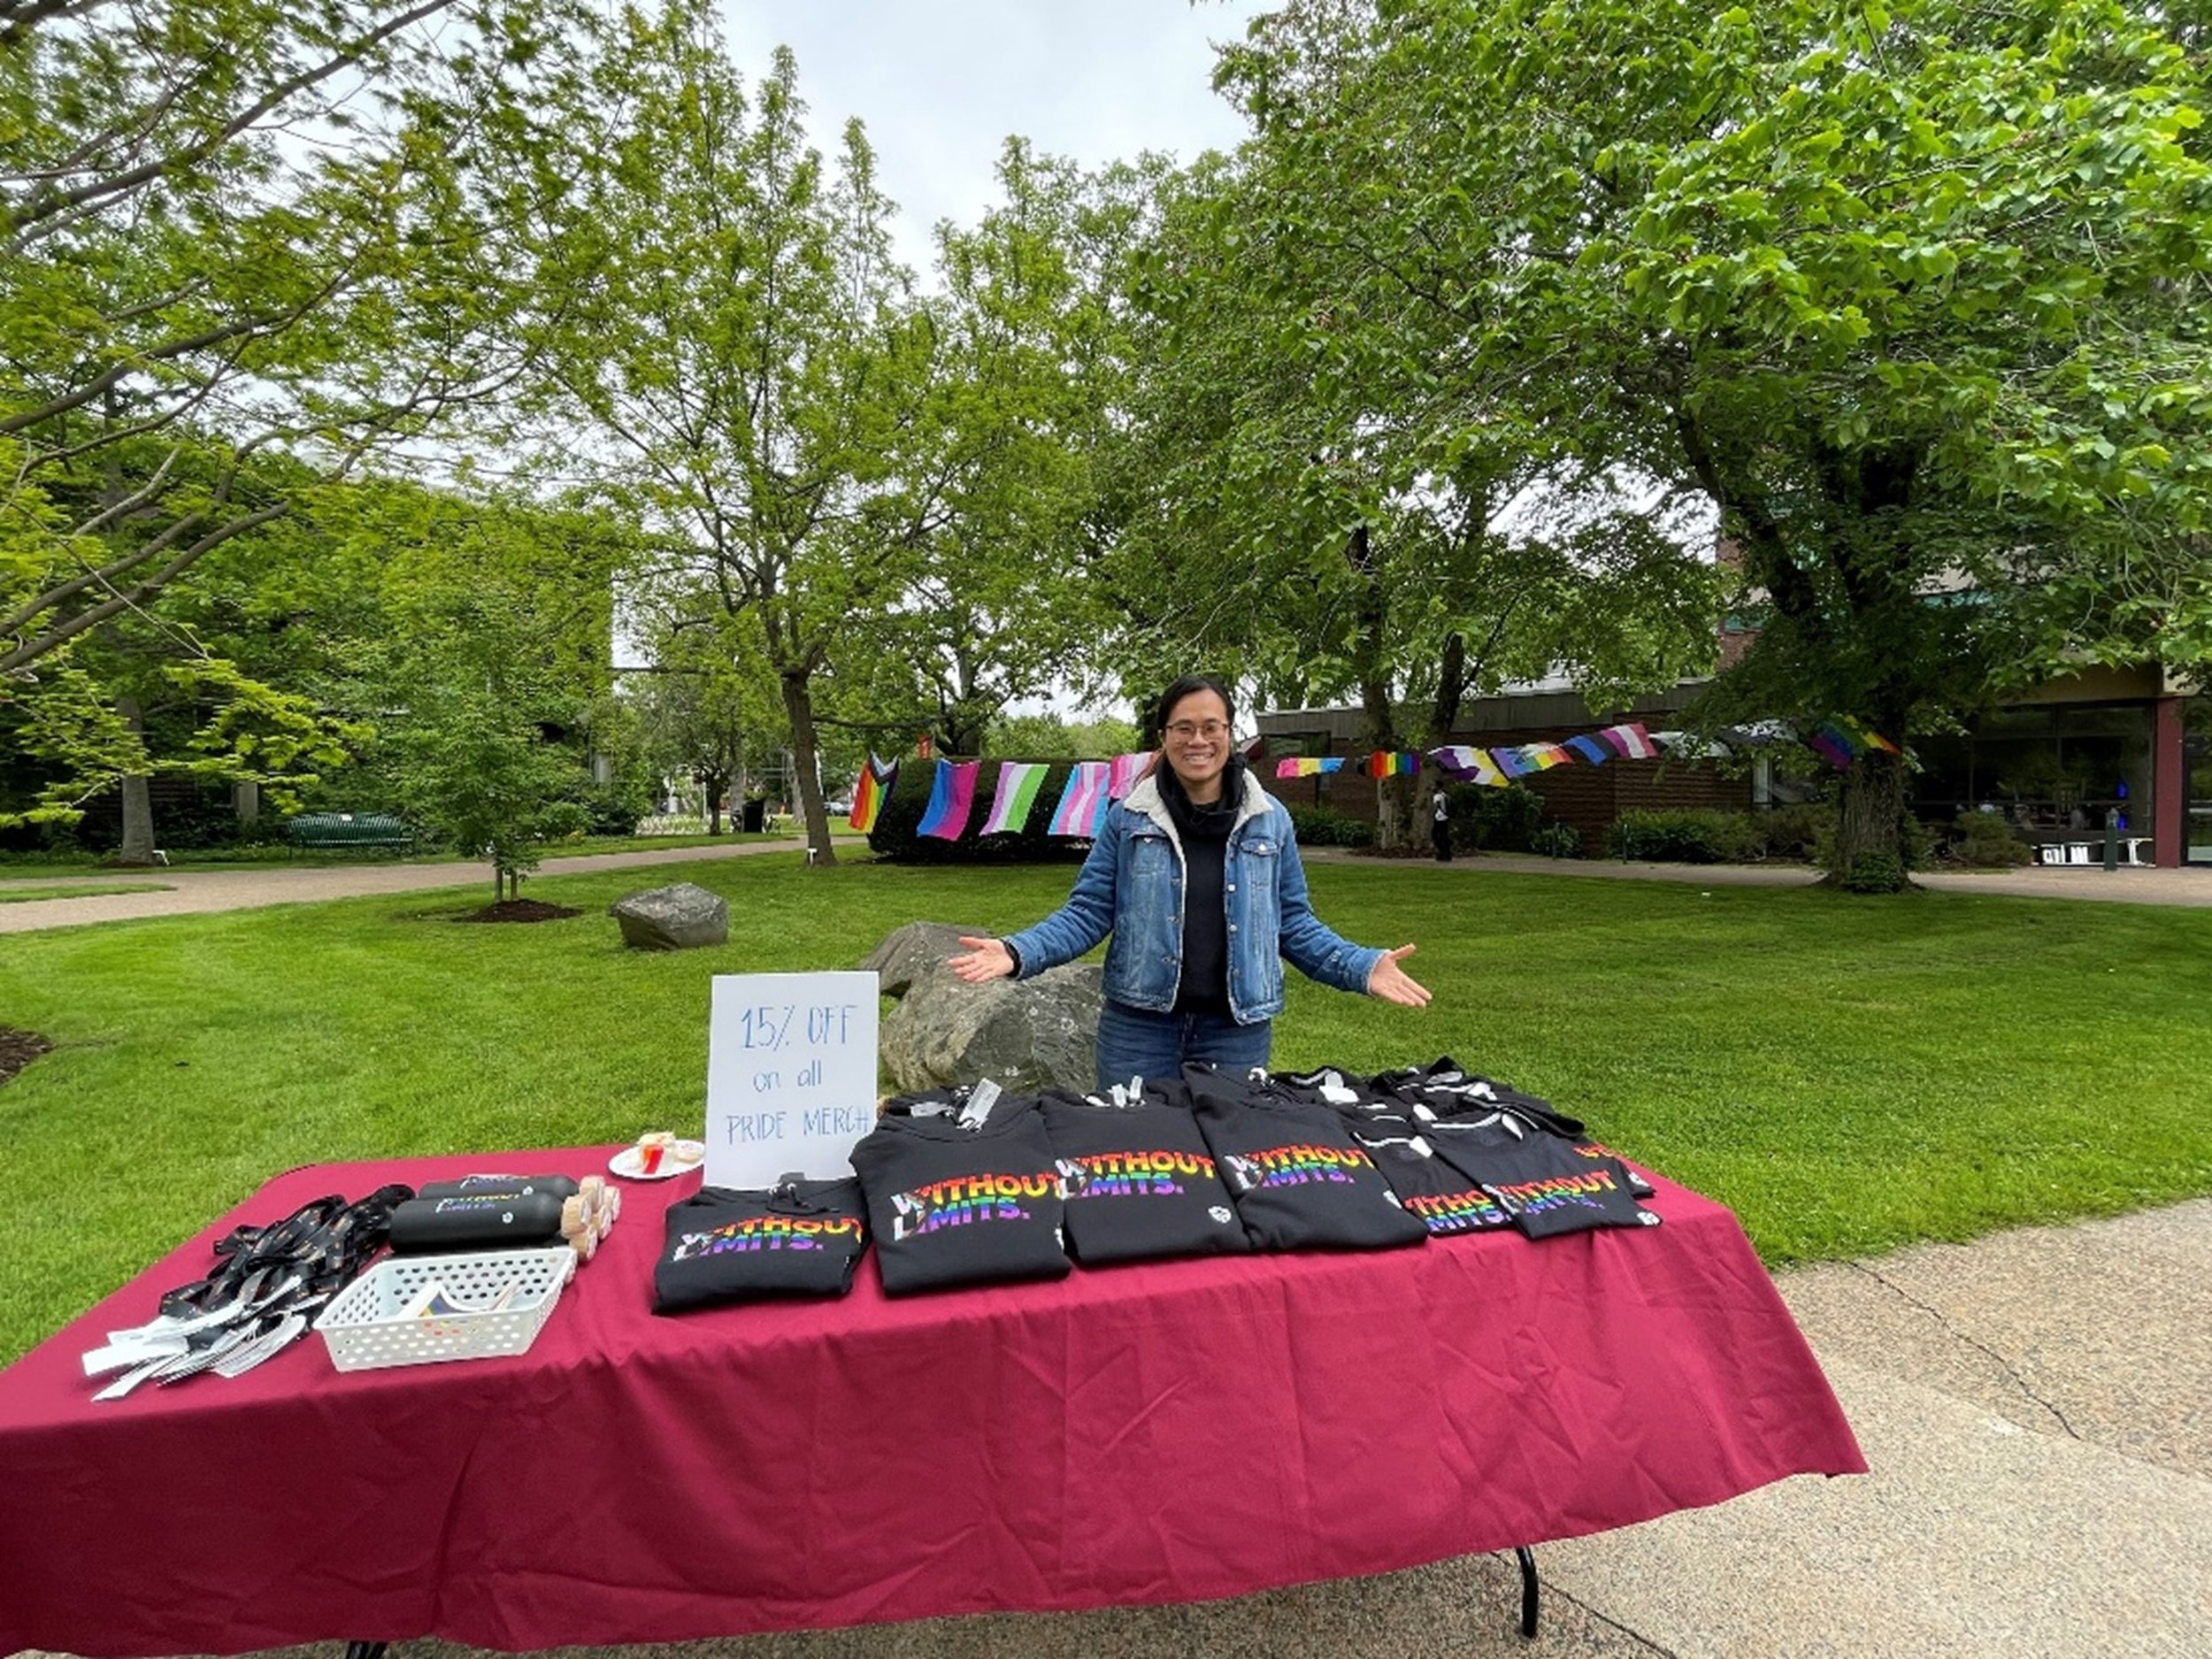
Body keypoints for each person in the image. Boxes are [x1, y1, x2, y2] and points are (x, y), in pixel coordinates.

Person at [949, 674, 1431, 1090]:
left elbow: (1293, 924)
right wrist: (1017, 952)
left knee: (1221, 1160)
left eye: (1210, 727)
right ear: (1165, 736)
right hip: (1138, 1029)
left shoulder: (1271, 820)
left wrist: (1361, 966)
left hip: (1236, 1031)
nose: (1197, 740)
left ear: (1229, 734)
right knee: (1133, 1161)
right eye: (1183, 727)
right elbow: (1089, 912)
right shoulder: (1128, 817)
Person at [1431, 782, 1452, 863]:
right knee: (1444, 836)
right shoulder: (1445, 795)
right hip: (1446, 817)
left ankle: (1442, 852)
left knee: (1435, 835)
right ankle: (1447, 854)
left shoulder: (1437, 796)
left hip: (1439, 817)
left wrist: (1433, 814)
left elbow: (1436, 807)